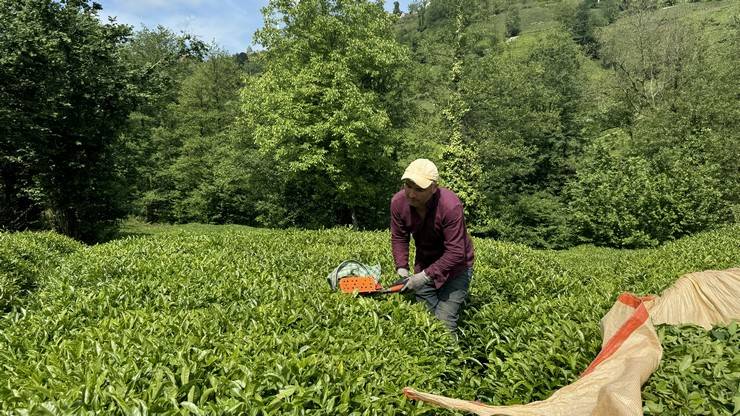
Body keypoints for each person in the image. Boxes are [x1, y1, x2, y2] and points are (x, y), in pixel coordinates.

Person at [390, 158, 474, 336]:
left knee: (444, 323)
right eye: (408, 186)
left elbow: (456, 252)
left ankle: (452, 362)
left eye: (419, 190)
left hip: (456, 269)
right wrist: (402, 269)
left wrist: (422, 277)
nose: (411, 194)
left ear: (434, 188)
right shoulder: (398, 202)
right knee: (426, 321)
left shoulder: (450, 206)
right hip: (425, 263)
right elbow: (399, 237)